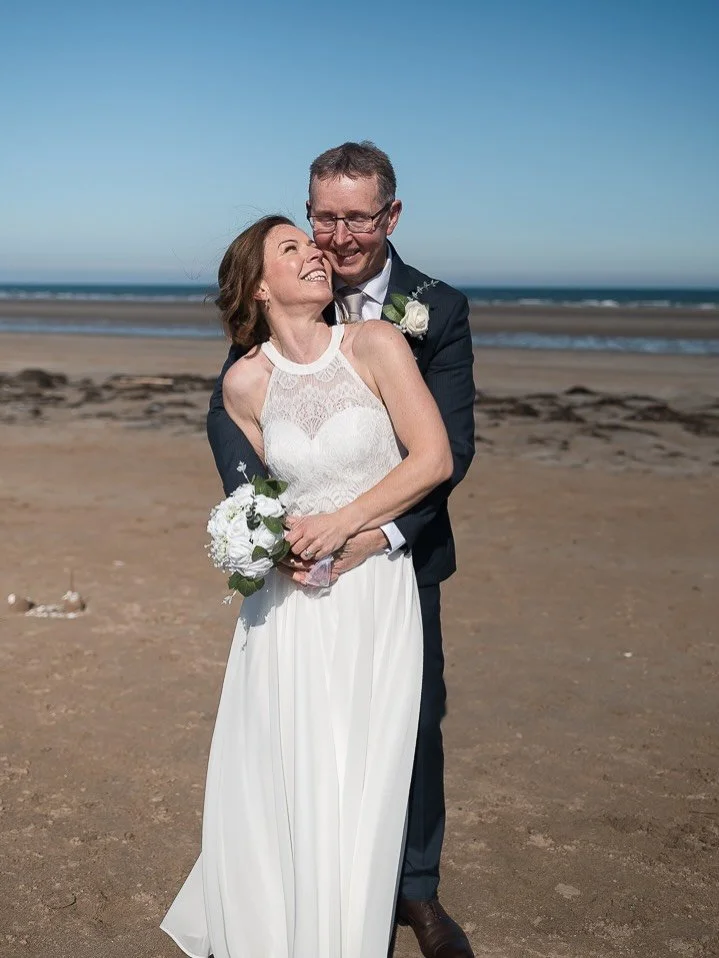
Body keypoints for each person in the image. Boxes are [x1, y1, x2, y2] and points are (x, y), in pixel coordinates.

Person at [204, 142, 477, 957]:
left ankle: (413, 892)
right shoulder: (272, 317)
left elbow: (447, 447)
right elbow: (236, 420)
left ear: (389, 217)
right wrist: (262, 524)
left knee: (410, 720)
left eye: (355, 218)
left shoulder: (432, 310)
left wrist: (370, 536)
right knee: (297, 733)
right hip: (296, 571)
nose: (336, 235)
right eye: (323, 216)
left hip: (398, 553)